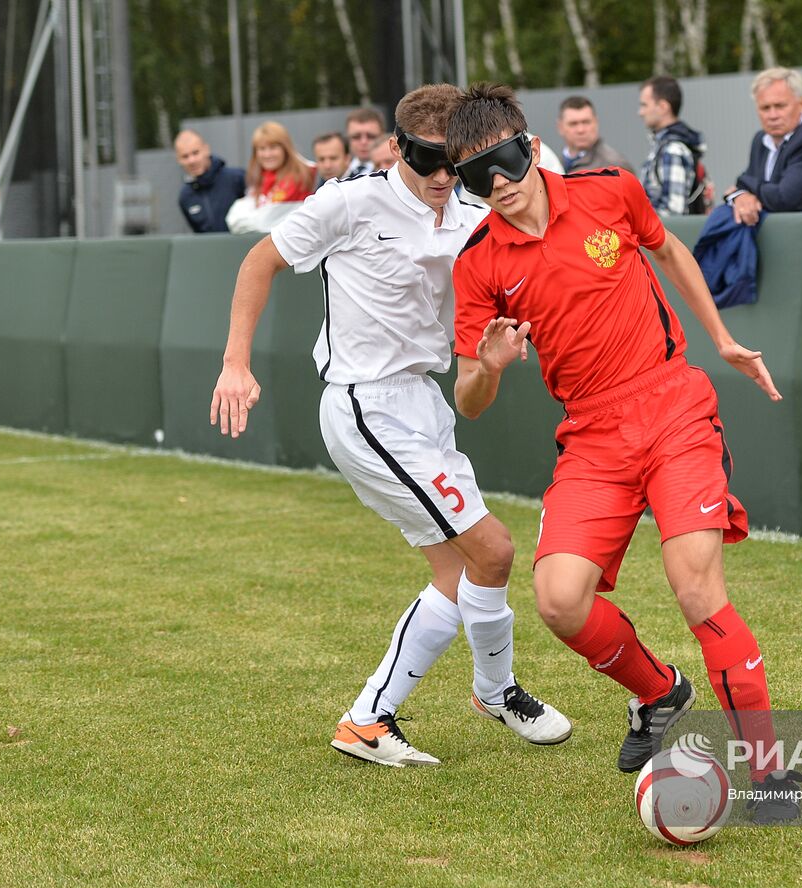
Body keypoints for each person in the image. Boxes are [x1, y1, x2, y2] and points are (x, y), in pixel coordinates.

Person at [447, 83, 802, 823]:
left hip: (672, 406)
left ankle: (768, 773)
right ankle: (659, 692)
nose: (500, 186)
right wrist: (488, 366)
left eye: (507, 163)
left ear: (533, 147)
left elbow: (668, 248)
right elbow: (468, 402)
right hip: (592, 435)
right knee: (558, 600)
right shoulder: (478, 263)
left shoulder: (610, 190)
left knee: (697, 587)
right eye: (477, 178)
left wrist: (724, 341)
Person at [209, 84, 570, 769]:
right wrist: (235, 364)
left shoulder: (469, 212)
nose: (443, 177)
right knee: (491, 550)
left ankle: (369, 722)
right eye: (430, 161)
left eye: (454, 164)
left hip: (423, 404)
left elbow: (543, 223)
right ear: (398, 148)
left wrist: (536, 163)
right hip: (364, 405)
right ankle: (490, 693)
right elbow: (260, 261)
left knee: (458, 573)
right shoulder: (350, 202)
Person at [724, 67, 802, 226]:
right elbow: (752, 194)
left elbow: (784, 199)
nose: (772, 115)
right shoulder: (761, 140)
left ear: (801, 104)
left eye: (780, 106)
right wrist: (741, 196)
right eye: (765, 108)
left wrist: (744, 183)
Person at [637, 75, 709, 216]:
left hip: (665, 237)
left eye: (644, 105)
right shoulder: (665, 146)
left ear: (663, 107)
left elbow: (673, 214)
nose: (640, 112)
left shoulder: (672, 150)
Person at [175, 130, 246, 233]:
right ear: (178, 160)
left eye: (195, 153)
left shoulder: (237, 178)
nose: (192, 160)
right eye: (185, 156)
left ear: (206, 149)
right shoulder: (185, 196)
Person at [243, 120, 314, 206]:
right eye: (262, 148)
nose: (267, 154)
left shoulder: (301, 176)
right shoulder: (257, 178)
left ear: (285, 148)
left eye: (273, 147)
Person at [555, 95, 633, 173]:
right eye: (573, 124)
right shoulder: (552, 164)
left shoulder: (614, 165)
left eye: (586, 122)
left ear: (596, 123)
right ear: (560, 127)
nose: (580, 130)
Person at [343, 107, 387, 179]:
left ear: (383, 136)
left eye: (371, 136)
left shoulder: (394, 171)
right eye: (356, 137)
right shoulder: (336, 172)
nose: (363, 142)